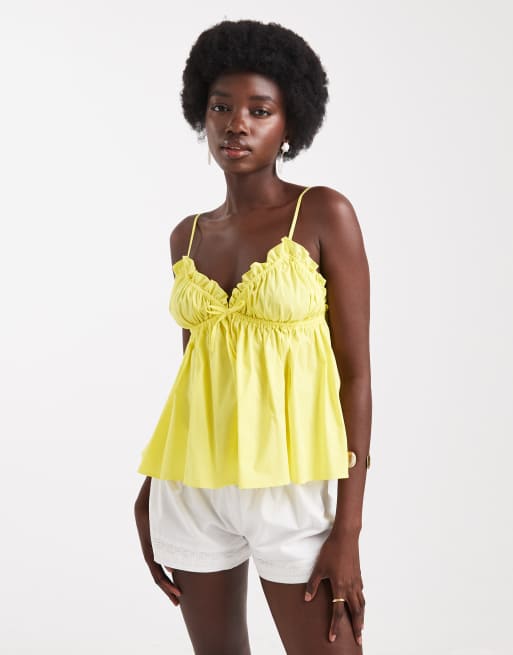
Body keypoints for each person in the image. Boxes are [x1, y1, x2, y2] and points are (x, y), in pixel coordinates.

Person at [134, 19, 371, 654]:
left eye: (259, 110)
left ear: (290, 125)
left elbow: (355, 375)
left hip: (295, 487)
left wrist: (347, 530)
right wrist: (153, 483)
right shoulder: (186, 235)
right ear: (202, 116)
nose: (236, 124)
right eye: (221, 108)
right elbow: (196, 372)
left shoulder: (323, 213)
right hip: (192, 488)